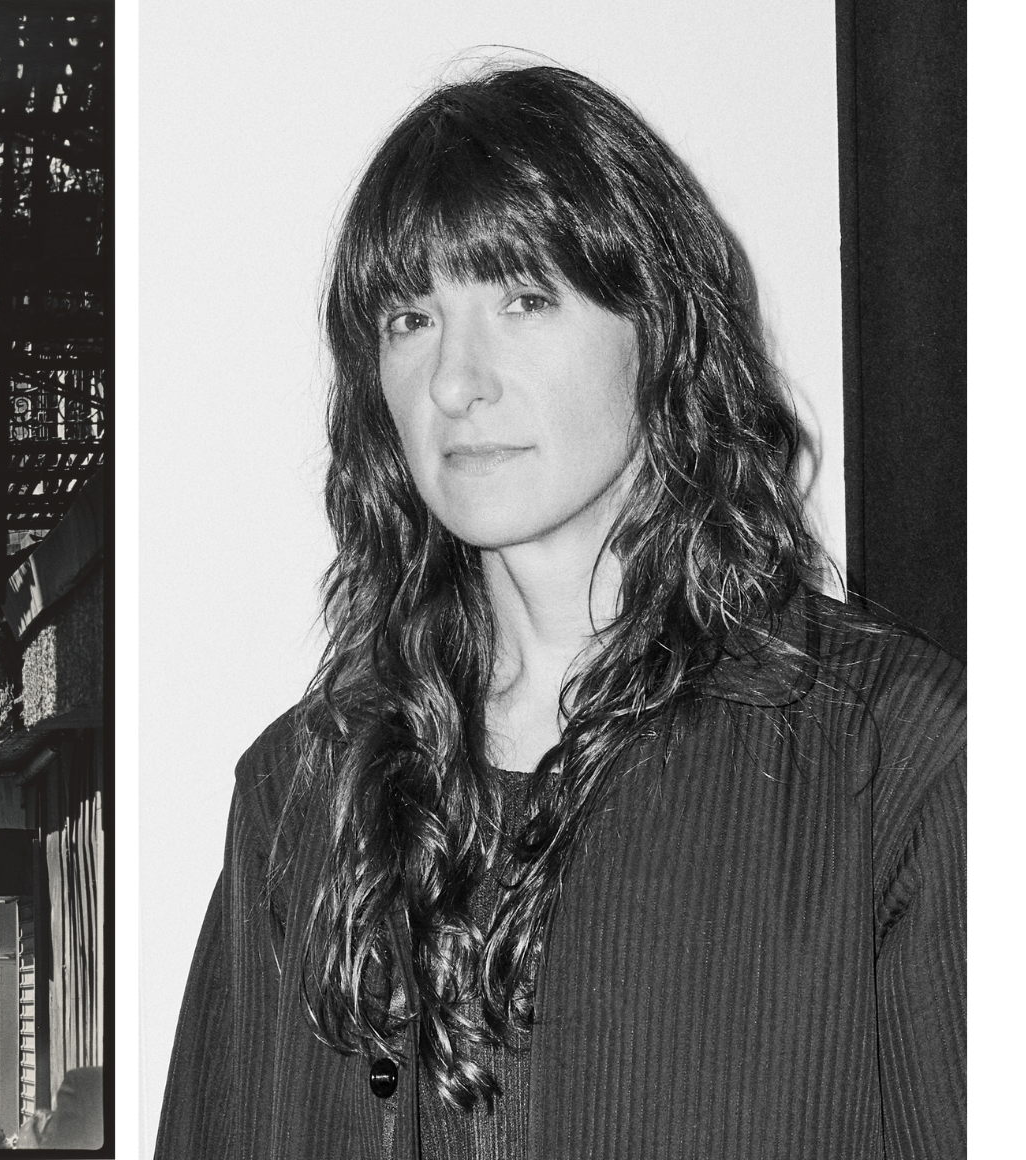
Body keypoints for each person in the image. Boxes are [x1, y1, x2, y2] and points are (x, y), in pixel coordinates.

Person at [155, 63, 963, 1159]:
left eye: (524, 301)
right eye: (411, 319)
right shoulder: (301, 793)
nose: (456, 381)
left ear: (658, 328)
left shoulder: (889, 759)